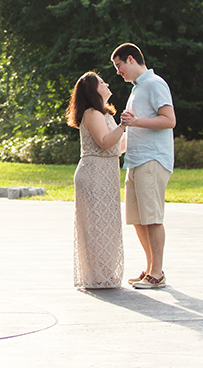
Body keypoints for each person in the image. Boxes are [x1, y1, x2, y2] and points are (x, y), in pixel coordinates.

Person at [113, 42, 175, 290]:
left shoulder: (155, 83)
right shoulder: (137, 89)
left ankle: (157, 273)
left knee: (152, 217)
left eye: (119, 66)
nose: (118, 72)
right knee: (138, 218)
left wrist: (136, 121)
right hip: (135, 161)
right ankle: (150, 269)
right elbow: (135, 126)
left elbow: (169, 120)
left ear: (131, 59)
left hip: (153, 159)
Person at [66, 70, 126, 289]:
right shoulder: (92, 113)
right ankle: (96, 275)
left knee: (106, 225)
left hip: (107, 174)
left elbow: (118, 147)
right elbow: (104, 142)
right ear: (93, 90)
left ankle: (104, 273)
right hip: (94, 175)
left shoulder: (106, 114)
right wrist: (123, 126)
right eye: (101, 82)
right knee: (95, 226)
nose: (107, 83)